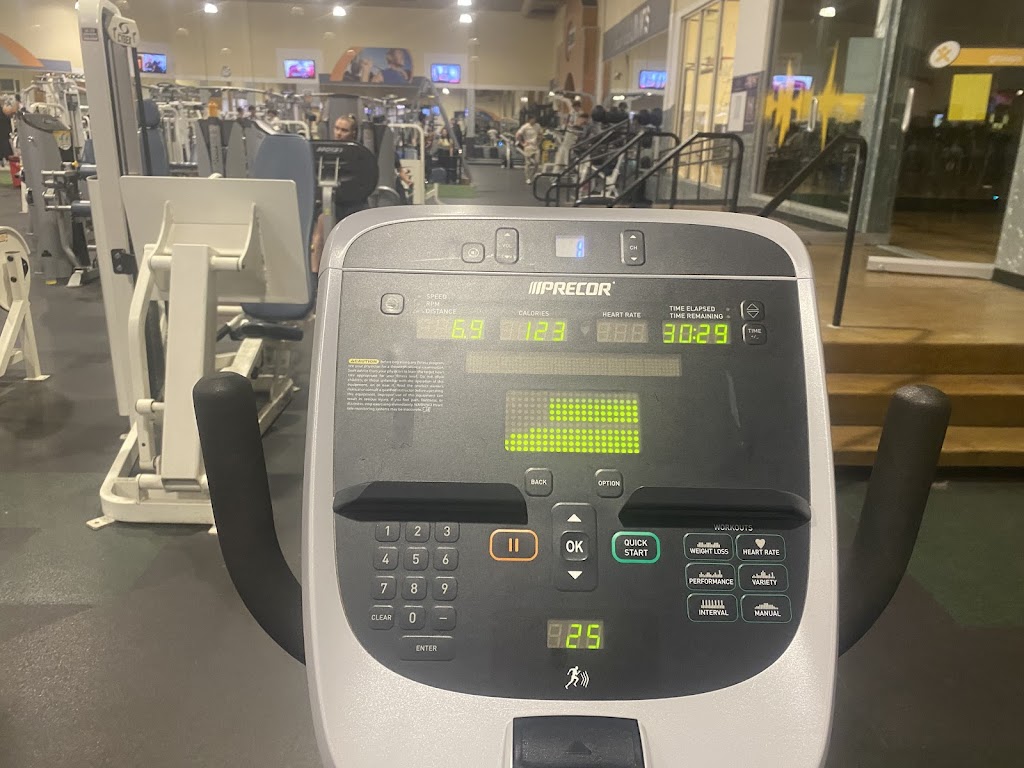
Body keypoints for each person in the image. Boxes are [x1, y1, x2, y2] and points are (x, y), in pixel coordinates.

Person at [515, 113, 542, 185]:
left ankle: (532, 176)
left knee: (537, 163)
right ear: (529, 119)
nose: (534, 120)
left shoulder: (537, 125)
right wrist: (522, 143)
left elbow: (540, 134)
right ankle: (527, 178)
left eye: (535, 119)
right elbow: (517, 135)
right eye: (533, 119)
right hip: (528, 146)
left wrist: (539, 142)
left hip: (536, 146)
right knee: (528, 163)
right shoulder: (525, 127)